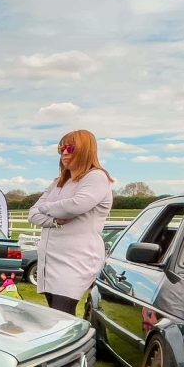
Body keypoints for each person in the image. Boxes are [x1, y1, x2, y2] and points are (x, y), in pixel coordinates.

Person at [28, 129, 114, 315]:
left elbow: (75, 206)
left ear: (85, 149)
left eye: (70, 148)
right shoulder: (58, 182)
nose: (64, 153)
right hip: (50, 261)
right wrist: (55, 221)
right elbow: (32, 214)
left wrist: (45, 207)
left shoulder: (96, 177)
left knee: (61, 316)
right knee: (55, 315)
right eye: (61, 149)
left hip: (76, 259)